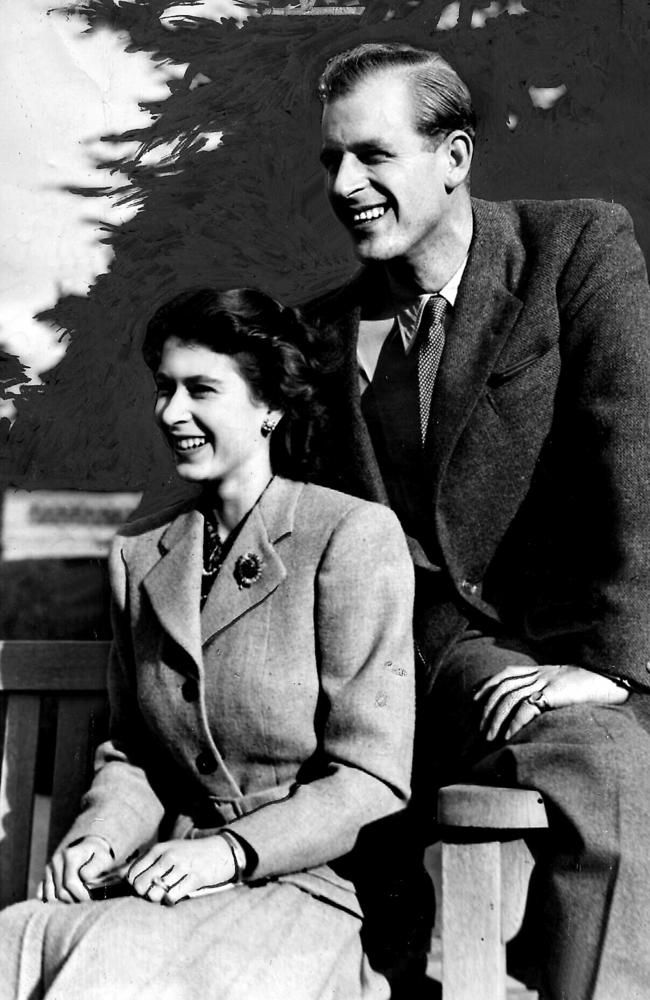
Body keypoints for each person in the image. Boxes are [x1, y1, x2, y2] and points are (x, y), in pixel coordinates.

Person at [303, 41, 650, 1000]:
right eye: (332, 160)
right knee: (606, 764)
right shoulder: (316, 337)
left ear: (454, 159)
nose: (346, 183)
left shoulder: (574, 251)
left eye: (373, 156)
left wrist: (613, 665)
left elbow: (632, 448)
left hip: (587, 647)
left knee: (609, 747)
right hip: (432, 667)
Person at [0, 288, 418, 1000]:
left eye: (201, 389)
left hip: (302, 889)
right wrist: (98, 838)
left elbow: (370, 779)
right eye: (165, 388)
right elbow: (135, 752)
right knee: (13, 937)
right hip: (165, 876)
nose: (171, 413)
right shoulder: (139, 555)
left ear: (270, 407)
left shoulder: (347, 536)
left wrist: (230, 852)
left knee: (120, 962)